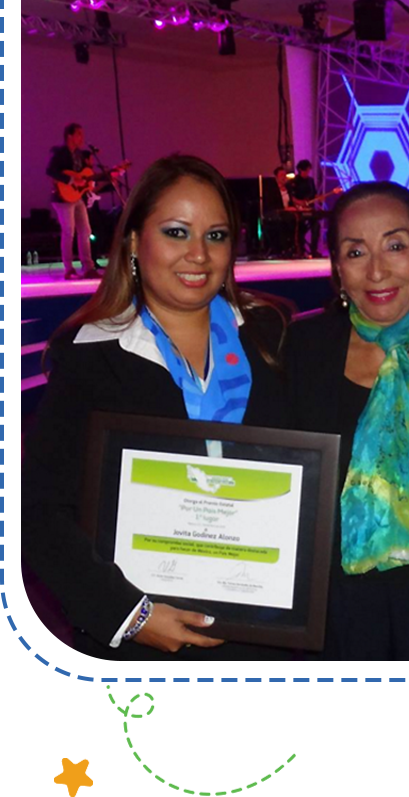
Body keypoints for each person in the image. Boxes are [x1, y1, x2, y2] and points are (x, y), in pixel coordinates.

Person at [22, 155, 289, 661]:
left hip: (263, 634)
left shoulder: (270, 336)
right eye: (175, 232)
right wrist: (129, 614)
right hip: (144, 645)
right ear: (133, 243)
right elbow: (37, 513)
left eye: (216, 235)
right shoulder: (90, 359)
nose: (198, 255)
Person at [280, 181, 409, 660]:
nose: (376, 270)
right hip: (343, 612)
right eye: (356, 251)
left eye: (395, 245)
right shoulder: (302, 351)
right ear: (336, 265)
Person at [45, 123, 100, 279]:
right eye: (79, 134)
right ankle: (68, 268)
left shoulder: (79, 155)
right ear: (69, 136)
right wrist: (70, 180)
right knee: (69, 231)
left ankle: (88, 267)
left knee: (85, 230)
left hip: (76, 197)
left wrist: (88, 181)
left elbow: (84, 175)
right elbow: (50, 171)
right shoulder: (60, 153)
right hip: (63, 198)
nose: (81, 138)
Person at [288, 159, 322, 257]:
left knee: (316, 225)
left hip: (310, 209)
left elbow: (314, 194)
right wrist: (301, 203)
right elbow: (292, 197)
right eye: (305, 171)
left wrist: (319, 198)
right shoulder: (294, 182)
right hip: (299, 210)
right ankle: (300, 250)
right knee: (300, 228)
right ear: (300, 170)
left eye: (308, 171)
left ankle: (313, 250)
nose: (307, 173)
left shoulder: (310, 181)